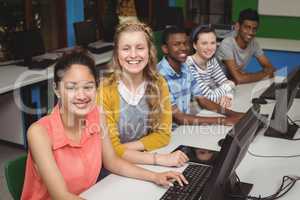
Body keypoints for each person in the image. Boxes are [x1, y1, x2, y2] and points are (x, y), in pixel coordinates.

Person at [21, 51, 187, 200]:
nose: (81, 95)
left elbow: (112, 162)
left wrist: (155, 177)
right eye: (71, 88)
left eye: (88, 87)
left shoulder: (97, 115)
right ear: (56, 90)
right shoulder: (39, 133)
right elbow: (61, 196)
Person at [97, 21, 188, 167]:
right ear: (116, 53)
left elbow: (163, 135)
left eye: (140, 48)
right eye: (126, 49)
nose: (133, 55)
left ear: (149, 51)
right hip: (112, 168)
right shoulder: (105, 89)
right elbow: (108, 152)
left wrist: (119, 149)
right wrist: (158, 159)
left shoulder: (159, 83)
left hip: (141, 159)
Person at [157, 26, 243, 126]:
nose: (183, 48)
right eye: (177, 44)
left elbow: (203, 99)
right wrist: (223, 120)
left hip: (184, 127)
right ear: (165, 49)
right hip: (168, 133)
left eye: (185, 43)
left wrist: (233, 114)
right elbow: (178, 118)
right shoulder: (159, 75)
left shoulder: (185, 67)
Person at [216, 8, 275, 84]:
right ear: (237, 26)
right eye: (247, 27)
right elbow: (239, 79)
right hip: (215, 88)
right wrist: (263, 74)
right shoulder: (227, 44)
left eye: (254, 29)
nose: (251, 32)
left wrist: (246, 76)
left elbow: (271, 68)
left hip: (233, 85)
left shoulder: (253, 43)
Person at [186, 25, 235, 108]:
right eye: (204, 43)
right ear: (194, 45)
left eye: (213, 43)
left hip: (206, 108)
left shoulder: (212, 61)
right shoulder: (188, 65)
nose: (209, 48)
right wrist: (230, 84)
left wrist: (228, 97)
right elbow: (207, 97)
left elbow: (225, 85)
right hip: (190, 111)